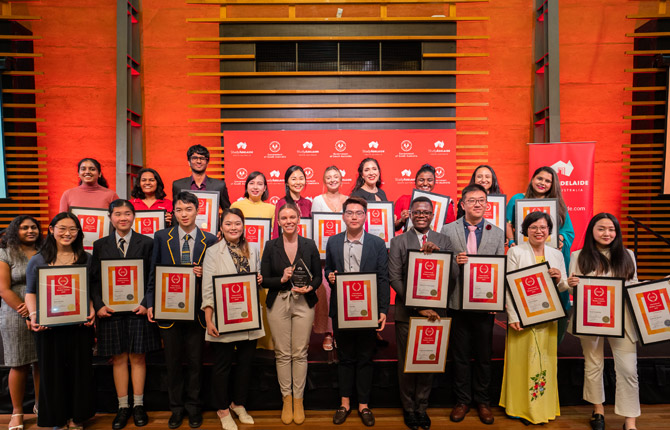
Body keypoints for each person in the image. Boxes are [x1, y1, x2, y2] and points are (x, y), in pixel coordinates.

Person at [145, 192, 217, 429]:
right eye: (179, 210)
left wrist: (203, 273)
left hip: (197, 312)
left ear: (197, 211)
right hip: (169, 310)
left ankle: (194, 408)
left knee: (196, 363)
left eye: (188, 209)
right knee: (172, 363)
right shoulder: (161, 236)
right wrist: (151, 302)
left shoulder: (210, 240)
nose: (184, 214)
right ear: (173, 212)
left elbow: (216, 276)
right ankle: (176, 409)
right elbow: (153, 272)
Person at [565, 213, 640, 430]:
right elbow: (573, 289)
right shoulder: (578, 255)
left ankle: (630, 420)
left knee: (628, 369)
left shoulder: (628, 255)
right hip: (590, 319)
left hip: (623, 318)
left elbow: (633, 286)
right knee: (594, 363)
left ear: (617, 232)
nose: (607, 233)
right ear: (592, 231)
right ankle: (598, 409)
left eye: (611, 229)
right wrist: (571, 284)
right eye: (601, 228)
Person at [89, 200, 160, 429]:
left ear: (134, 216)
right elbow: (95, 279)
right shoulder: (100, 245)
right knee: (118, 358)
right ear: (110, 217)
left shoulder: (147, 243)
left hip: (137, 309)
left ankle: (138, 405)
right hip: (110, 311)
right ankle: (122, 406)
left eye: (127, 213)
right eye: (118, 214)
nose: (123, 218)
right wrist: (98, 305)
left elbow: (153, 275)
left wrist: (145, 302)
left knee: (138, 357)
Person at [25, 213, 96, 430]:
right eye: (62, 228)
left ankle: (77, 417)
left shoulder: (86, 257)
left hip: (78, 325)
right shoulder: (38, 259)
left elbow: (89, 290)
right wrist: (35, 314)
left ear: (79, 232)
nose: (67, 233)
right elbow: (30, 292)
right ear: (52, 229)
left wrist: (91, 309)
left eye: (73, 229)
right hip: (49, 327)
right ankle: (57, 419)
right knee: (52, 373)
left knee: (79, 371)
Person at [440, 184, 504, 424]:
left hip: (485, 304)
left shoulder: (497, 233)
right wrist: (454, 262)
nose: (477, 204)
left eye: (481, 200)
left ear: (487, 204)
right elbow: (441, 268)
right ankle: (462, 401)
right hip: (457, 302)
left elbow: (500, 268)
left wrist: (496, 299)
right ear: (463, 204)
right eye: (472, 200)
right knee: (460, 355)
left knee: (484, 356)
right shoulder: (447, 230)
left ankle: (483, 402)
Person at [325, 197, 390, 426]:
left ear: (365, 216)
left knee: (364, 357)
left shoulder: (377, 243)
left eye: (359, 213)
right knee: (345, 357)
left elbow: (383, 277)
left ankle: (364, 404)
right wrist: (331, 277)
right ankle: (344, 403)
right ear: (343, 216)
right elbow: (329, 272)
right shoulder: (332, 242)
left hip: (367, 310)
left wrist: (383, 309)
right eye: (350, 212)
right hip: (341, 310)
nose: (354, 216)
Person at [500, 211, 568, 425]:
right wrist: (512, 315)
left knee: (544, 361)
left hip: (548, 316)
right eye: (533, 227)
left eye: (543, 227)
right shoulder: (516, 252)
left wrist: (561, 279)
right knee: (521, 362)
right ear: (525, 230)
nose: (539, 231)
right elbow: (509, 286)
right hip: (522, 317)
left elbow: (564, 285)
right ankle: (518, 407)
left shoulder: (556, 254)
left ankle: (541, 406)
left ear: (549, 231)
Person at [389, 197, 450, 430]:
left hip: (436, 313)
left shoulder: (443, 240)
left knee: (427, 361)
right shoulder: (399, 241)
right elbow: (395, 277)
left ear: (432, 215)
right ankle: (408, 408)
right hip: (408, 312)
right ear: (410, 214)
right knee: (407, 362)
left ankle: (421, 407)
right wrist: (417, 306)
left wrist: (439, 255)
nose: (421, 215)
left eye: (426, 212)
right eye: (417, 212)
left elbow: (453, 275)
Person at [202, 208, 265, 430]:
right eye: (228, 224)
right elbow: (208, 288)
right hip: (223, 318)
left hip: (249, 317)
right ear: (221, 227)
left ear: (243, 225)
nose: (233, 228)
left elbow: (255, 280)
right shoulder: (212, 252)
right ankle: (222, 409)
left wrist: (258, 278)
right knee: (223, 366)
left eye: (237, 223)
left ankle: (238, 403)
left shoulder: (254, 248)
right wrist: (209, 320)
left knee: (245, 365)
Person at [261, 203, 321, 425]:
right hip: (278, 302)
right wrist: (282, 279)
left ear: (299, 219)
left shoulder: (309, 244)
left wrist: (311, 287)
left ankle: (299, 399)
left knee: (300, 352)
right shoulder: (271, 246)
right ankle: (286, 399)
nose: (288, 221)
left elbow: (317, 277)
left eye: (292, 217)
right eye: (284, 218)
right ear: (278, 221)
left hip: (303, 302)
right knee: (282, 353)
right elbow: (264, 279)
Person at [505, 166, 575, 343]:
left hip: (549, 257)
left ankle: (551, 347)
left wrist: (560, 238)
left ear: (553, 184)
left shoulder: (558, 205)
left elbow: (569, 232)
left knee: (555, 298)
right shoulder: (518, 199)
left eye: (547, 181)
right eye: (539, 178)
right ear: (532, 179)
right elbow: (507, 224)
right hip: (524, 257)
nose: (542, 183)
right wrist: (512, 242)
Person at [0, 216, 43, 430]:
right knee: (18, 363)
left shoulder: (46, 251)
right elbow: (4, 289)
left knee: (41, 362)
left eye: (33, 227)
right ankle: (17, 412)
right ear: (15, 230)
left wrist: (36, 312)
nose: (30, 230)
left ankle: (40, 405)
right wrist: (27, 313)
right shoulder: (5, 252)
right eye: (24, 227)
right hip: (15, 313)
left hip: (44, 311)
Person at [230, 171, 275, 350]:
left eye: (260, 184)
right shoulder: (236, 206)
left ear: (265, 188)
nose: (256, 187)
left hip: (265, 260)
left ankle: (265, 342)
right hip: (240, 259)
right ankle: (241, 339)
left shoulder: (271, 209)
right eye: (252, 183)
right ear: (246, 186)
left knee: (264, 302)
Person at [311, 166, 348, 351]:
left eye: (336, 176)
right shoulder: (317, 201)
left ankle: (341, 332)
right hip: (323, 256)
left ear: (341, 179)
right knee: (325, 294)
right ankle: (327, 332)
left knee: (343, 293)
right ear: (324, 181)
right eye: (329, 177)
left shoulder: (349, 201)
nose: (333, 180)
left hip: (344, 254)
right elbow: (313, 228)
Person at [395, 164, 456, 232]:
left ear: (434, 182)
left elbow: (451, 230)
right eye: (421, 180)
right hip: (409, 240)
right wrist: (402, 220)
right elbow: (393, 227)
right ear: (415, 182)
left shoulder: (445, 205)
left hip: (435, 241)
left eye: (429, 180)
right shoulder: (403, 200)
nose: (425, 183)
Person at [171, 144, 231, 212]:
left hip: (211, 223)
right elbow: (175, 211)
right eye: (194, 158)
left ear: (207, 162)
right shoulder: (178, 185)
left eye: (202, 158)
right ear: (189, 162)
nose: (198, 161)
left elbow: (227, 212)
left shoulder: (219, 186)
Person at [271, 165, 311, 239]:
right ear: (287, 183)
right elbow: (277, 230)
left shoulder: (308, 203)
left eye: (301, 179)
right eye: (294, 179)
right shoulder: (282, 203)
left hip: (305, 245)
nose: (298, 182)